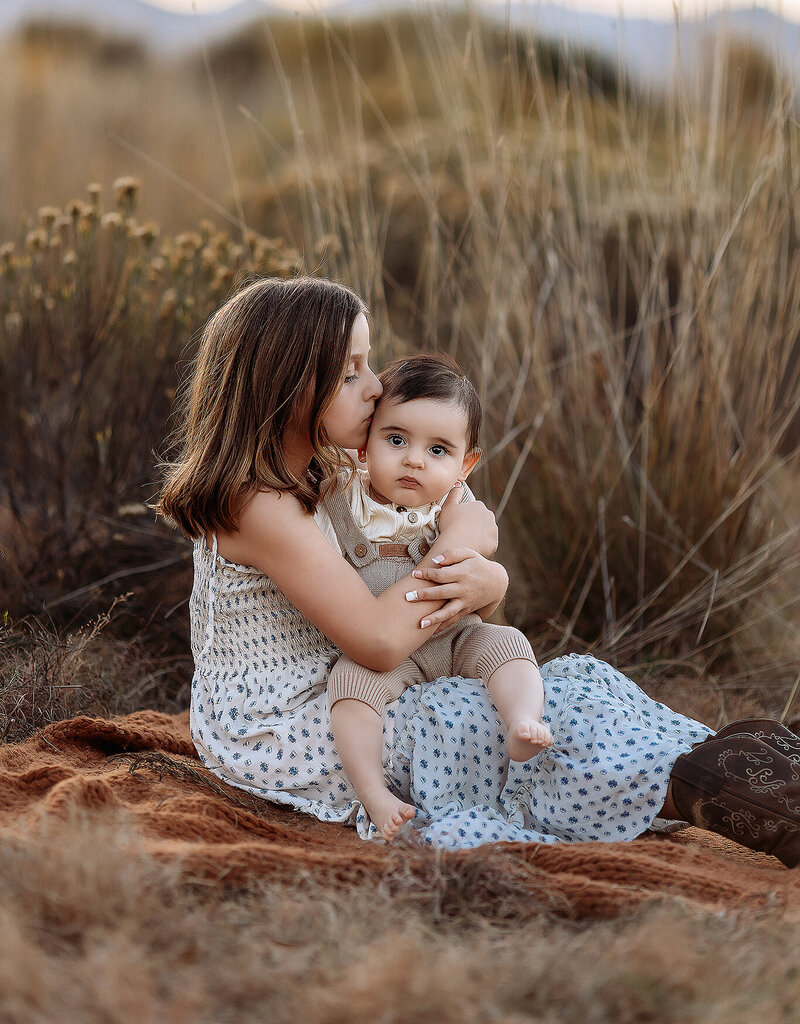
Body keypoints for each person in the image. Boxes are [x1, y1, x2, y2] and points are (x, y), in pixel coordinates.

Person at [157, 275, 800, 865]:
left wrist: (487, 572)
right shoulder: (257, 502)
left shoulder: (335, 464)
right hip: (288, 724)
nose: (376, 384)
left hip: (361, 681)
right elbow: (379, 641)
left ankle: (749, 764)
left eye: (368, 361)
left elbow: (461, 508)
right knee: (491, 726)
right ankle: (739, 795)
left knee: (565, 690)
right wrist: (461, 558)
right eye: (351, 370)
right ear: (289, 383)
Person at [316, 354, 552, 839]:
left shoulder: (458, 508)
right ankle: (375, 794)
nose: (414, 460)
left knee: (507, 646)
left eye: (439, 450)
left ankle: (523, 720)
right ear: (365, 446)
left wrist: (492, 580)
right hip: (387, 658)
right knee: (349, 688)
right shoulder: (340, 495)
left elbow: (477, 586)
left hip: (454, 636)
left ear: (467, 464)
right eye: (396, 440)